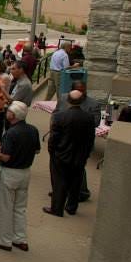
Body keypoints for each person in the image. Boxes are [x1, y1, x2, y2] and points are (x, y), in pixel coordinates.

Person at [0, 102, 40, 252]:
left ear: (13, 115)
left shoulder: (11, 133)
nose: (7, 113)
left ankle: (4, 241)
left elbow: (5, 157)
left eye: (9, 111)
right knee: (20, 208)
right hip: (25, 172)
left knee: (4, 207)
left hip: (10, 173)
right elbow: (37, 150)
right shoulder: (33, 130)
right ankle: (20, 238)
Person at [44, 90, 96, 218]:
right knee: (76, 181)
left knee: (59, 181)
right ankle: (72, 207)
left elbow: (54, 138)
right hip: (80, 155)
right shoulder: (89, 118)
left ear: (68, 100)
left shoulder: (60, 116)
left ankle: (57, 208)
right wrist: (87, 153)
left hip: (61, 154)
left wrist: (52, 152)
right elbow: (90, 138)